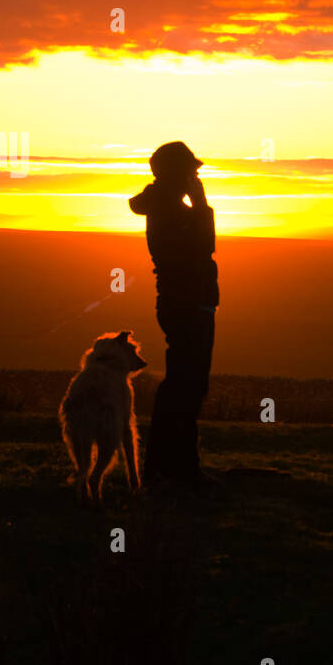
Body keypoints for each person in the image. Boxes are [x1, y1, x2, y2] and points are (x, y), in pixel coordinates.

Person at [128, 141, 219, 490]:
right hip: (186, 305)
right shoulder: (171, 210)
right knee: (185, 386)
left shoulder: (168, 207)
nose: (196, 176)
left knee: (186, 386)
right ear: (176, 173)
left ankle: (171, 467)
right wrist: (201, 206)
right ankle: (176, 469)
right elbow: (203, 247)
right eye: (191, 170)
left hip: (189, 303)